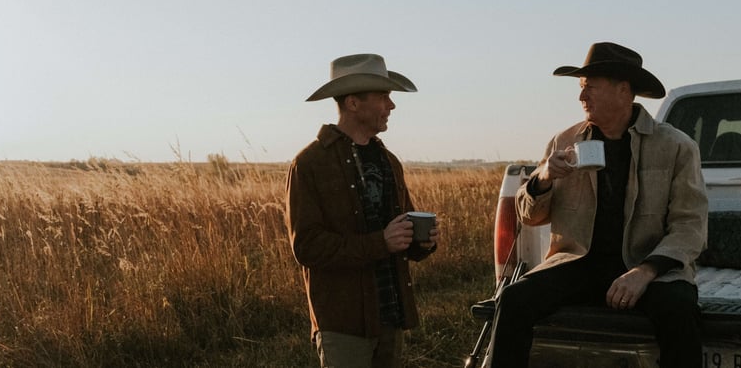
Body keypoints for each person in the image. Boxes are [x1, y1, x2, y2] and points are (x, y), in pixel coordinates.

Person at [484, 42, 708, 368]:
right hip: (578, 264)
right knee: (514, 300)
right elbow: (529, 217)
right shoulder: (564, 142)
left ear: (623, 90)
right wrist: (543, 177)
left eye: (590, 87)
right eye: (580, 88)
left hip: (648, 268)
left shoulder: (676, 146)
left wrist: (644, 272)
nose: (581, 97)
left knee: (680, 309)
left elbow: (690, 226)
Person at [286, 53, 440, 368]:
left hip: (391, 315)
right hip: (344, 323)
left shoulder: (388, 161)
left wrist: (422, 242)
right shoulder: (310, 164)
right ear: (354, 103)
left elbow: (401, 234)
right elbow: (307, 247)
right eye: (384, 96)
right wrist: (379, 242)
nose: (391, 106)